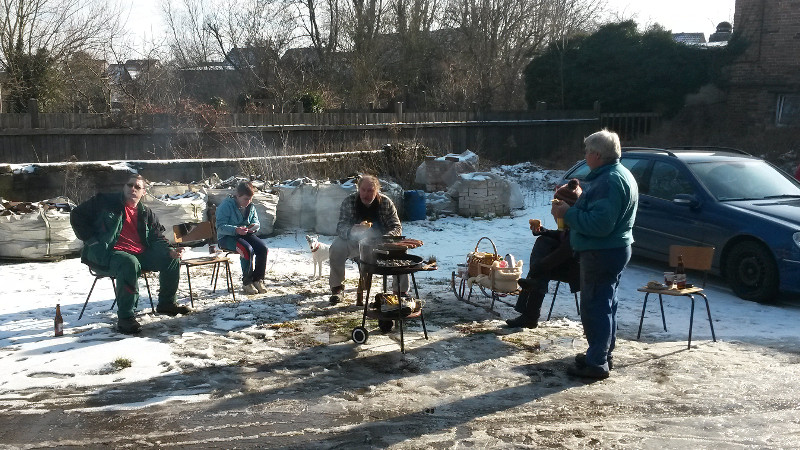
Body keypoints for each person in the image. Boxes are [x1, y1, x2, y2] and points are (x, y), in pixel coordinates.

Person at [551, 129, 638, 379]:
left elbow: (601, 225)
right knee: (607, 304)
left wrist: (567, 213)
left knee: (595, 306)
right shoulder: (618, 174)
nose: (585, 155)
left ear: (598, 155)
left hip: (602, 251)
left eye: (588, 151)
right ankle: (601, 353)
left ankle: (597, 363)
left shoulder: (608, 181)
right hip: (614, 249)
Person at [70, 174, 189, 334]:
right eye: (129, 185)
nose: (133, 189)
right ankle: (126, 318)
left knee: (170, 259)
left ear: (144, 192)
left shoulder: (146, 213)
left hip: (138, 254)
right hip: (106, 253)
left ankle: (167, 304)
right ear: (124, 187)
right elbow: (76, 215)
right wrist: (92, 241)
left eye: (137, 187)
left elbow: (156, 238)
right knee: (129, 262)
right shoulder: (105, 202)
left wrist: (170, 251)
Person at [506, 179, 582, 329]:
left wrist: (539, 266)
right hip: (567, 262)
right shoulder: (568, 222)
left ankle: (530, 316)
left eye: (556, 205)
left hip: (578, 269)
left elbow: (565, 251)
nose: (553, 210)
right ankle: (530, 315)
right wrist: (544, 231)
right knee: (543, 242)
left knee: (539, 271)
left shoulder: (578, 225)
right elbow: (562, 235)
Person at [328, 175, 405, 304]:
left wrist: (387, 238)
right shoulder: (350, 201)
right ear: (358, 189)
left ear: (377, 191)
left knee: (402, 253)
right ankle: (337, 288)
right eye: (363, 190)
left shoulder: (385, 203)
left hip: (380, 242)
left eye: (370, 191)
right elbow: (340, 226)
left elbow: (396, 227)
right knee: (336, 248)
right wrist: (351, 230)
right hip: (354, 242)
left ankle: (400, 292)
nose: (366, 194)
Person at [216, 181, 269, 295]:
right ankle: (247, 282)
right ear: (238, 196)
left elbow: (256, 221)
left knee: (263, 248)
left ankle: (258, 279)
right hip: (226, 237)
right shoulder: (226, 206)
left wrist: (254, 227)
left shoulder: (250, 206)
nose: (248, 202)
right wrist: (236, 229)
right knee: (246, 249)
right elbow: (220, 227)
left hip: (245, 234)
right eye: (245, 199)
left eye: (250, 199)